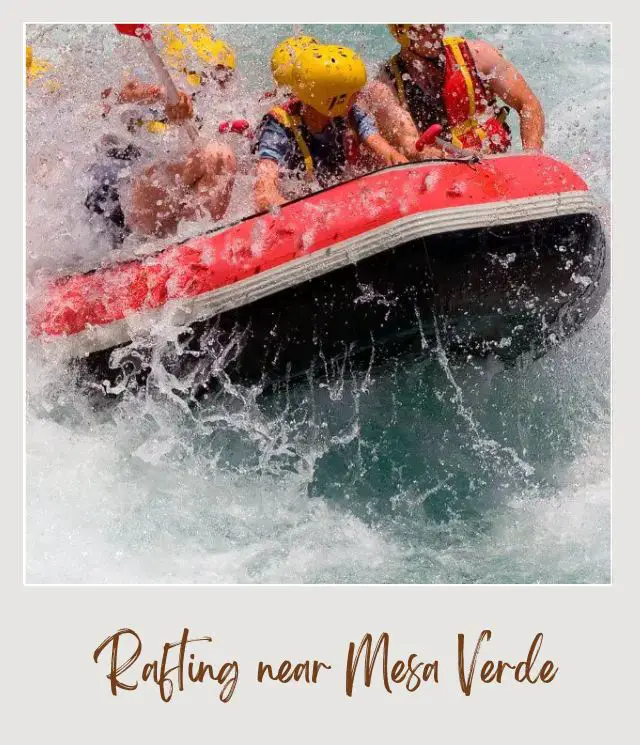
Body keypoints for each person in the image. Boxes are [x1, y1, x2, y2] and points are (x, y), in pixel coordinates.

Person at [85, 24, 237, 245]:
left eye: (222, 78)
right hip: (123, 196)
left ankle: (200, 240)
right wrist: (162, 94)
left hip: (167, 187)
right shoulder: (132, 58)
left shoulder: (201, 44)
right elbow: (117, 94)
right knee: (213, 155)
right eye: (217, 77)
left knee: (220, 155)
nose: (220, 84)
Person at [254, 43, 407, 212]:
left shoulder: (351, 114)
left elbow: (388, 153)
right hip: (300, 204)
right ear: (332, 100)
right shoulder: (278, 126)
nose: (359, 97)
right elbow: (264, 193)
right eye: (353, 94)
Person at [361, 24, 545, 160]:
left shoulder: (478, 54)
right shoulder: (385, 86)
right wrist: (460, 158)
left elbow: (528, 104)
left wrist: (531, 156)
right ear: (403, 31)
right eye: (426, 24)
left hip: (495, 159)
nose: (438, 28)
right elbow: (410, 147)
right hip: (442, 173)